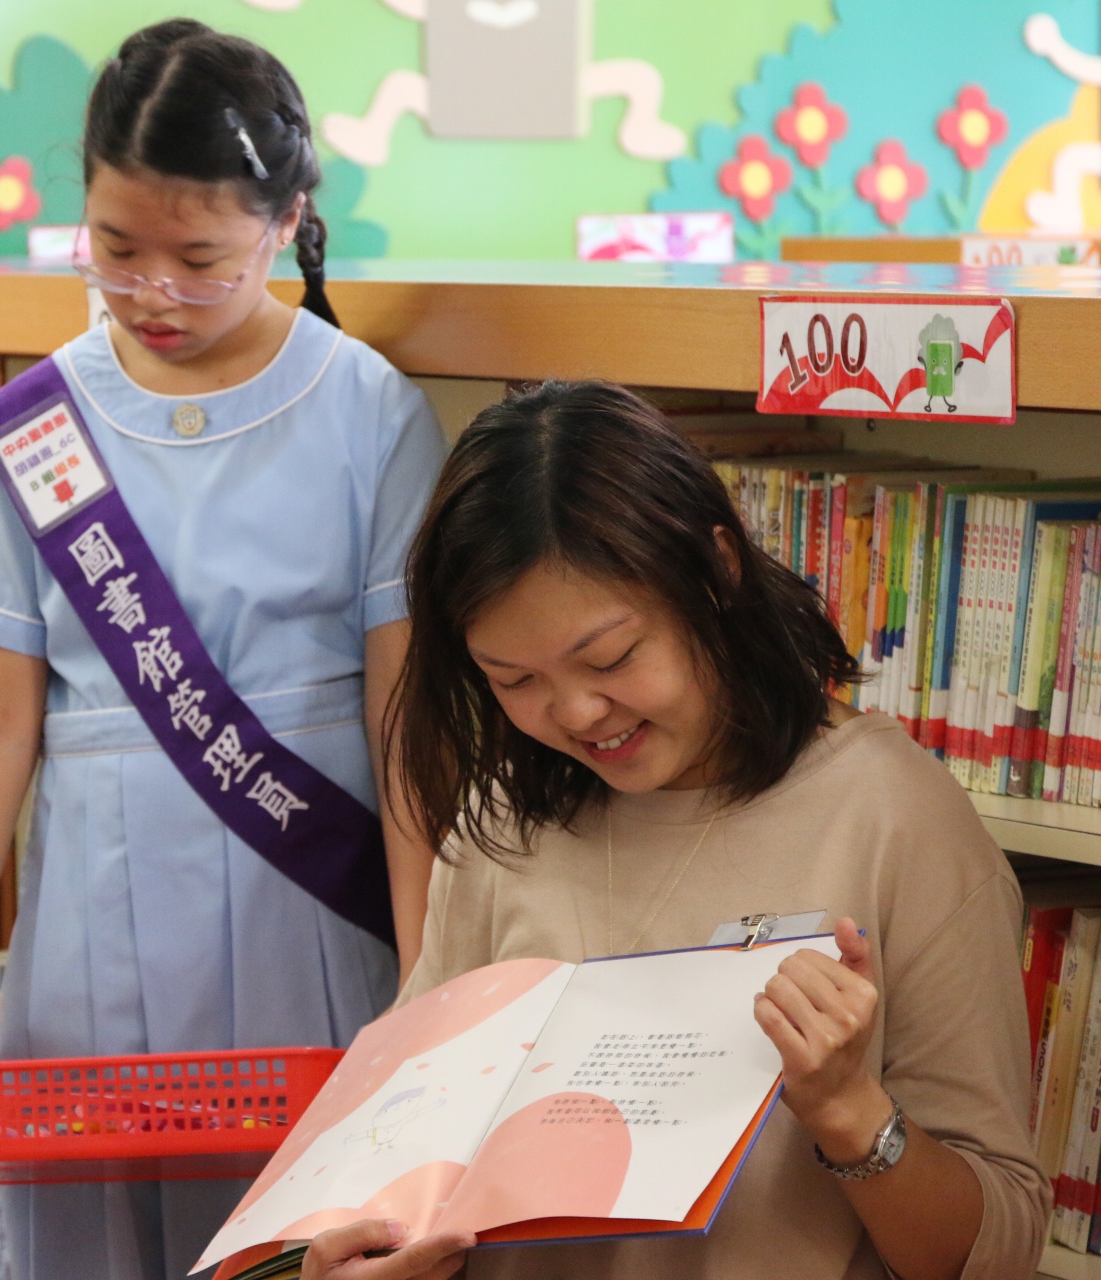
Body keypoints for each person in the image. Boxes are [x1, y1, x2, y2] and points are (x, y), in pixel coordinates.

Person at [0, 19, 446, 1280]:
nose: (153, 293)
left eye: (199, 259)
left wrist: (426, 983)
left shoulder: (368, 410)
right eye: (116, 249)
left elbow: (406, 725)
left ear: (286, 221)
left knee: (302, 1233)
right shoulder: (40, 426)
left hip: (312, 914)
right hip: (90, 928)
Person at [302, 381, 1049, 1280]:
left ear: (715, 570)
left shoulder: (893, 818)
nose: (577, 713)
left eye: (611, 657)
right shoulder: (506, 814)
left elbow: (997, 1247)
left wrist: (848, 1109)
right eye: (514, 680)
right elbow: (402, 1157)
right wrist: (356, 1245)